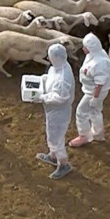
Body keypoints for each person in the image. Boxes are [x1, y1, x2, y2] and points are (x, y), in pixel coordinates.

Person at [37, 42, 75, 179]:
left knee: (57, 138)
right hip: (52, 110)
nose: (48, 59)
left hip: (59, 112)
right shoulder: (59, 66)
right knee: (51, 134)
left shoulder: (63, 77)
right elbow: (52, 79)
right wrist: (43, 80)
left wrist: (42, 97)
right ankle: (52, 156)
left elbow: (61, 97)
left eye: (50, 56)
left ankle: (64, 164)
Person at [70, 32, 110, 147]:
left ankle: (83, 136)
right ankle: (98, 135)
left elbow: (99, 83)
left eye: (86, 47)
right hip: (92, 90)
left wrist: (95, 97)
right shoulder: (95, 55)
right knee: (95, 111)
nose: (83, 49)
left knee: (81, 112)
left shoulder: (99, 63)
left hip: (93, 92)